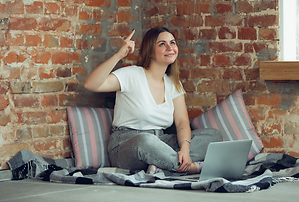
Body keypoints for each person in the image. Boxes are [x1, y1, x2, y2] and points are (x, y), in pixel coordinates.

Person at [84, 27, 222, 174]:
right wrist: (119, 55)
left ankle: (163, 166)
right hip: (127, 144)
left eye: (172, 43)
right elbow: (91, 84)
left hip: (161, 141)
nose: (170, 48)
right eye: (162, 44)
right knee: (146, 141)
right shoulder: (132, 74)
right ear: (150, 51)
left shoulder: (173, 83)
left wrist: (185, 149)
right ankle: (191, 167)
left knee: (213, 136)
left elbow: (182, 122)